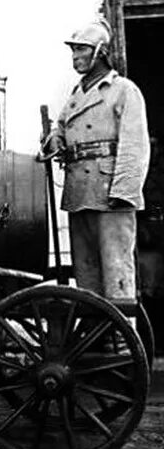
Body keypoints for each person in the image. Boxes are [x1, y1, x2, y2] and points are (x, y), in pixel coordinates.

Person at [41, 18, 150, 307]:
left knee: (116, 271)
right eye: (73, 51)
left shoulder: (124, 90)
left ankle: (122, 342)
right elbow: (61, 127)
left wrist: (124, 193)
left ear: (100, 51)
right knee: (86, 275)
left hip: (109, 194)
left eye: (81, 51)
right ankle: (95, 342)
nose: (75, 57)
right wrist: (55, 138)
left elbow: (135, 146)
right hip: (80, 193)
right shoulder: (77, 94)